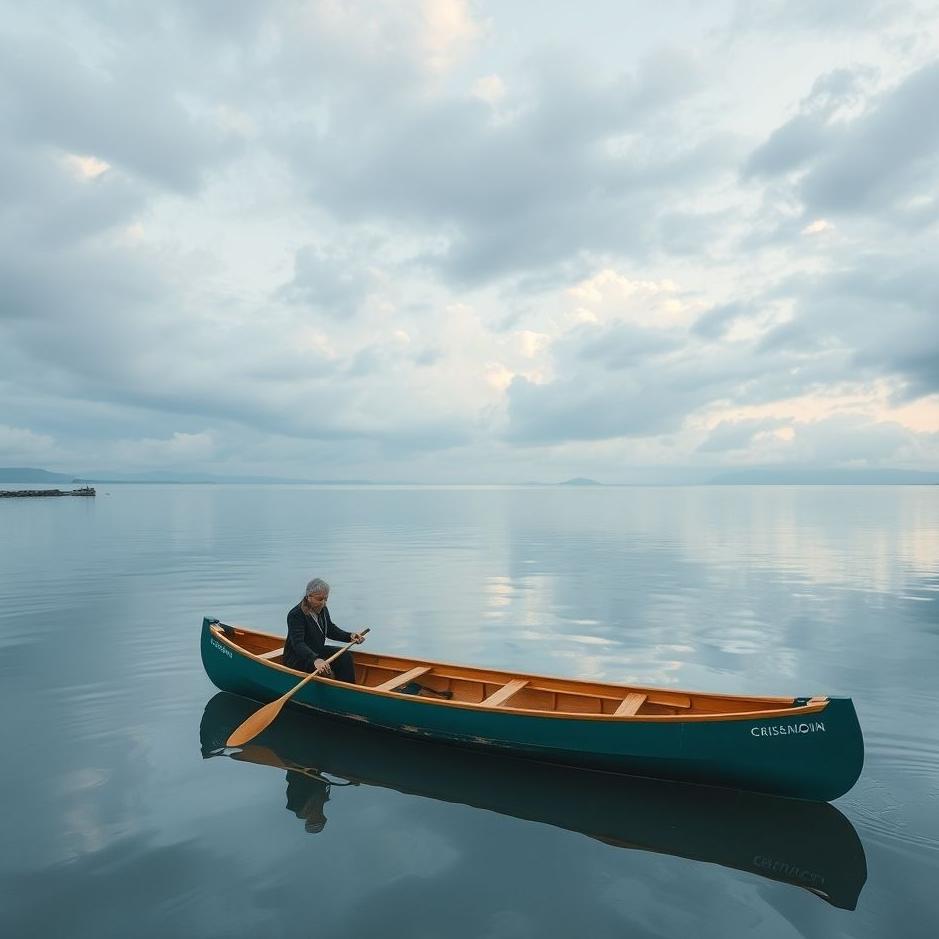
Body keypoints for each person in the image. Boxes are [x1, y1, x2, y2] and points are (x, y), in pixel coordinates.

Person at [283, 578, 366, 682]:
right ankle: (334, 691)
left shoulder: (323, 609)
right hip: (299, 658)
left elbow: (330, 629)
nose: (323, 603)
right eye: (320, 599)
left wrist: (349, 636)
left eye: (326, 599)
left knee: (345, 656)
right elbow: (298, 644)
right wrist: (315, 659)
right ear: (309, 597)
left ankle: (349, 689)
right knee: (325, 670)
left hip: (316, 651)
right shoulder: (296, 615)